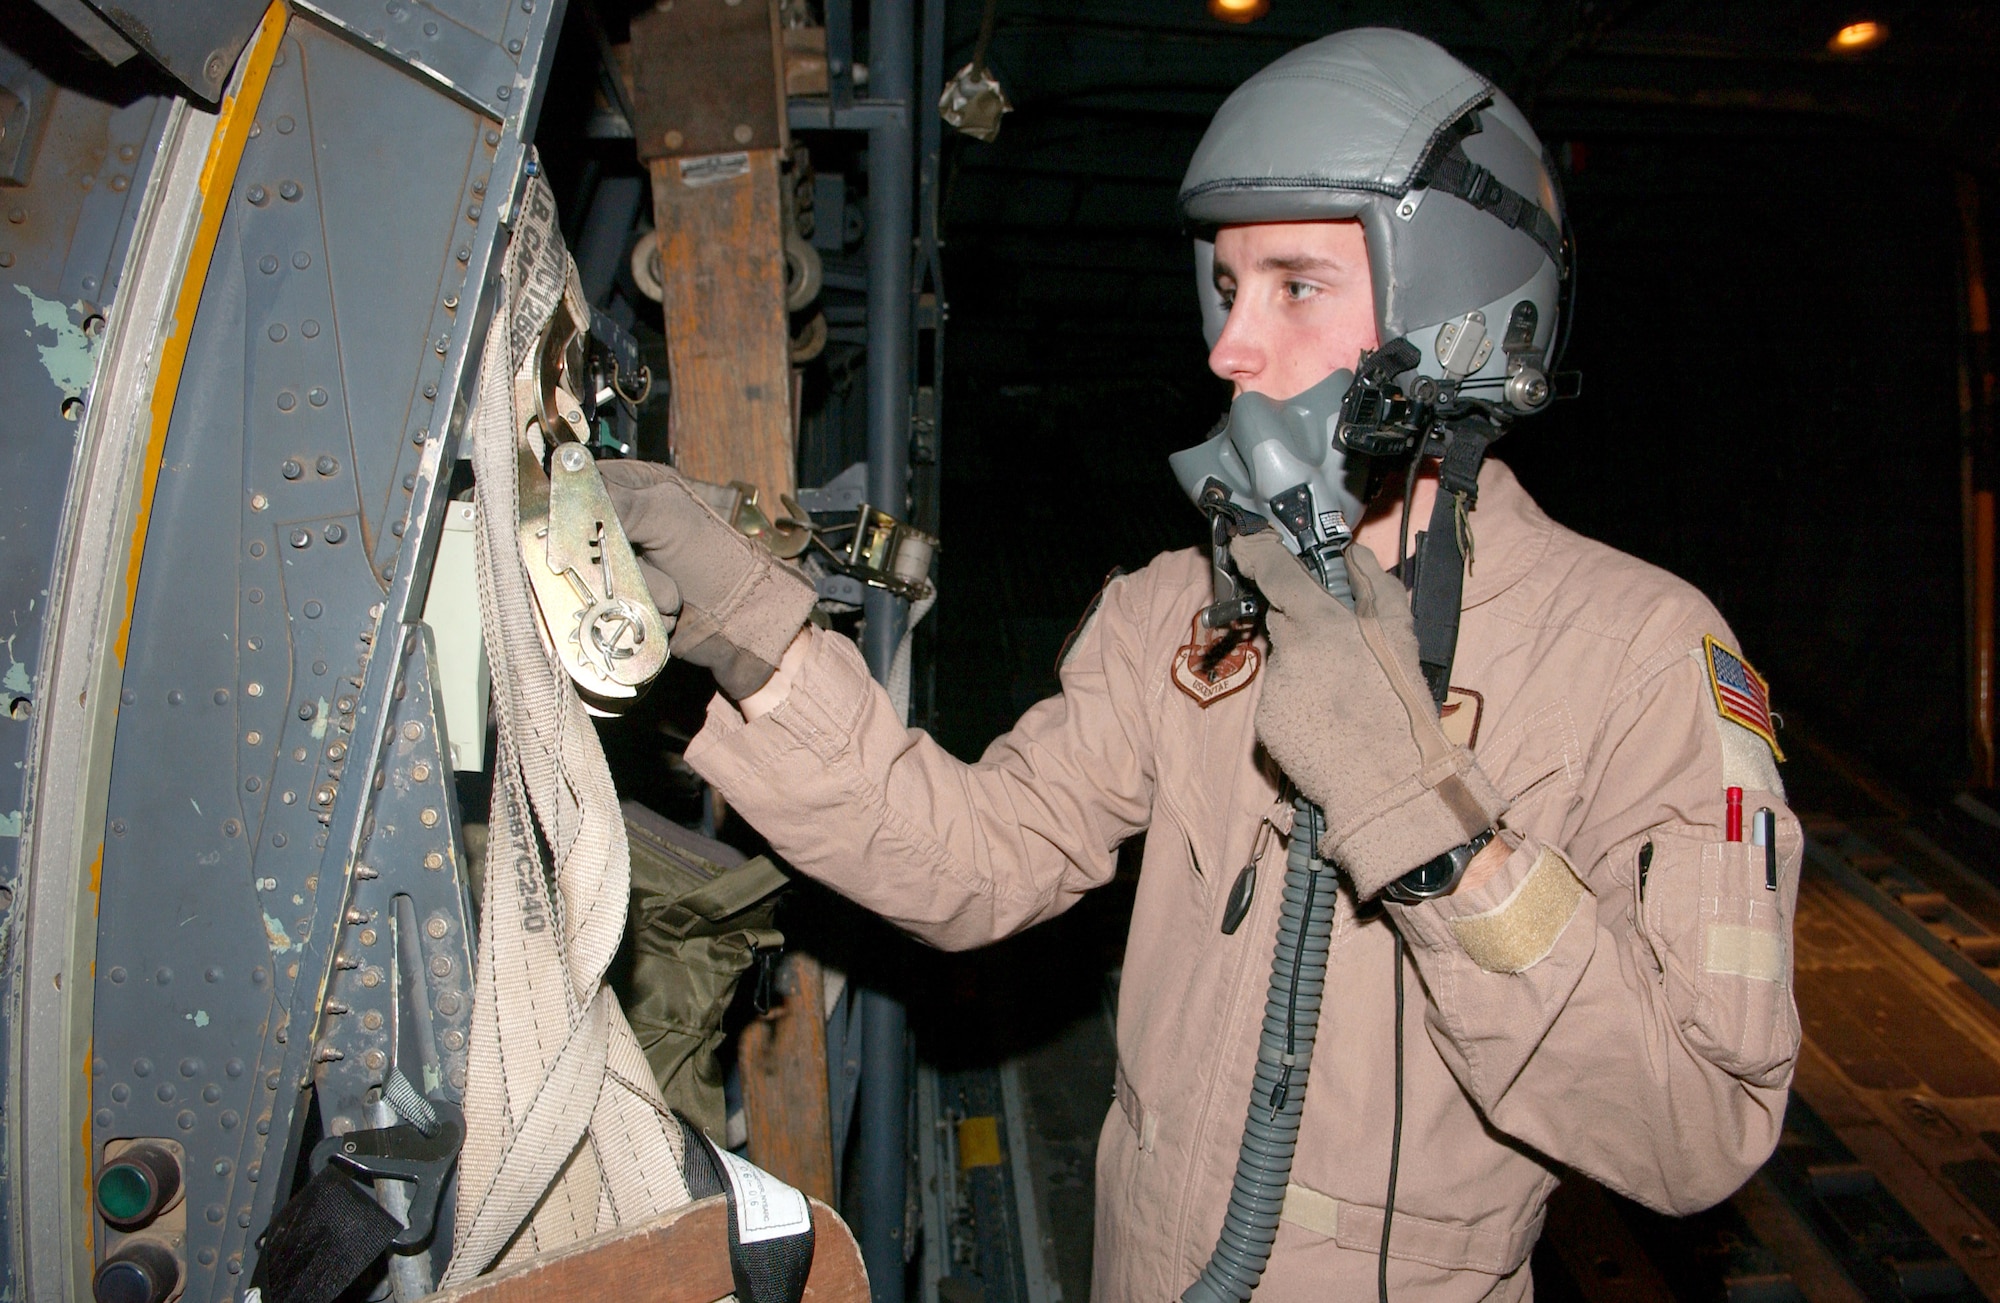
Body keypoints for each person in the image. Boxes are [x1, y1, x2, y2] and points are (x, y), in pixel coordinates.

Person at [597, 27, 1800, 1302]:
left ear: (1453, 316)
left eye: (1294, 285)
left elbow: (1695, 1130)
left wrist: (1439, 839)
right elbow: (974, 861)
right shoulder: (1181, 606)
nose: (1230, 348)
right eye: (1227, 289)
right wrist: (746, 630)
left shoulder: (1632, 652)